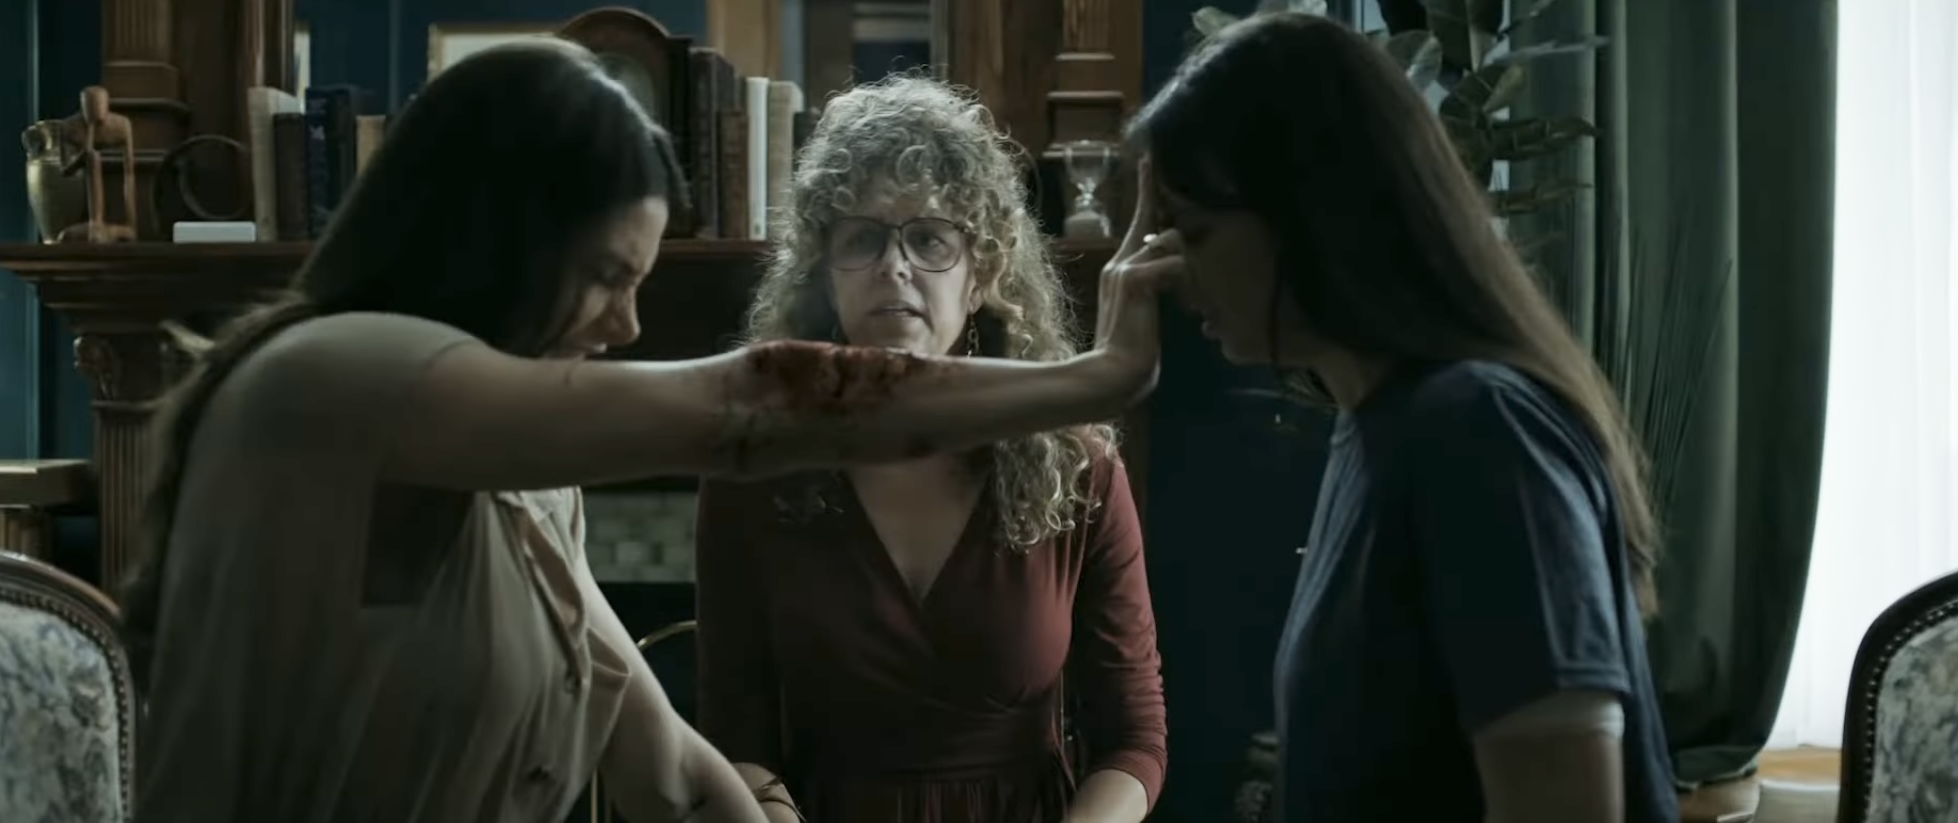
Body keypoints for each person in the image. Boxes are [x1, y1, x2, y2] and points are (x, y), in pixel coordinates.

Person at [124, 41, 1172, 823]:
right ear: (496, 242)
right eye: (606, 275)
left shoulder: (533, 477)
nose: (626, 326)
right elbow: (743, 414)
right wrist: (1097, 377)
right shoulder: (333, 376)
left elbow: (668, 770)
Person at [1124, 12, 1680, 823]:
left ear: (1309, 212)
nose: (1166, 265)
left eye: (1195, 229)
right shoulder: (1377, 427)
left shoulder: (1480, 433)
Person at [694, 76, 1168, 823]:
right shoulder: (753, 470)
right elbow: (734, 732)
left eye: (930, 238)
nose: (895, 265)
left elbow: (1134, 737)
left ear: (981, 277)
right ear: (825, 274)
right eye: (862, 238)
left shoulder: (1078, 468)